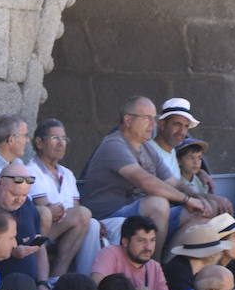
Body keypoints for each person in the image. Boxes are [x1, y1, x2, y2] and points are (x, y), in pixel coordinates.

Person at [79, 96, 211, 251]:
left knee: (200, 213)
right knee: (158, 204)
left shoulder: (147, 148)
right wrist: (186, 199)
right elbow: (144, 181)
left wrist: (203, 199)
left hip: (140, 213)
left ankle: (170, 264)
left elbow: (173, 182)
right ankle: (154, 264)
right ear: (128, 120)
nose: (153, 124)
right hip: (109, 216)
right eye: (147, 118)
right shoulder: (114, 144)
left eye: (154, 119)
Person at [28, 118, 99, 275]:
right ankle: (57, 275)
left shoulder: (67, 173)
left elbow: (75, 207)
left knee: (93, 223)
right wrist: (68, 213)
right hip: (41, 230)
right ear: (39, 143)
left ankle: (85, 279)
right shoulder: (31, 170)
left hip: (67, 228)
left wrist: (68, 213)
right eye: (55, 138)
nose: (61, 144)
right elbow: (49, 211)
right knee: (84, 215)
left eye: (64, 139)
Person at [91, 215, 171, 290]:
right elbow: (96, 284)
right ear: (125, 241)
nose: (148, 247)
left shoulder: (154, 267)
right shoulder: (111, 253)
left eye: (152, 240)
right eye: (141, 240)